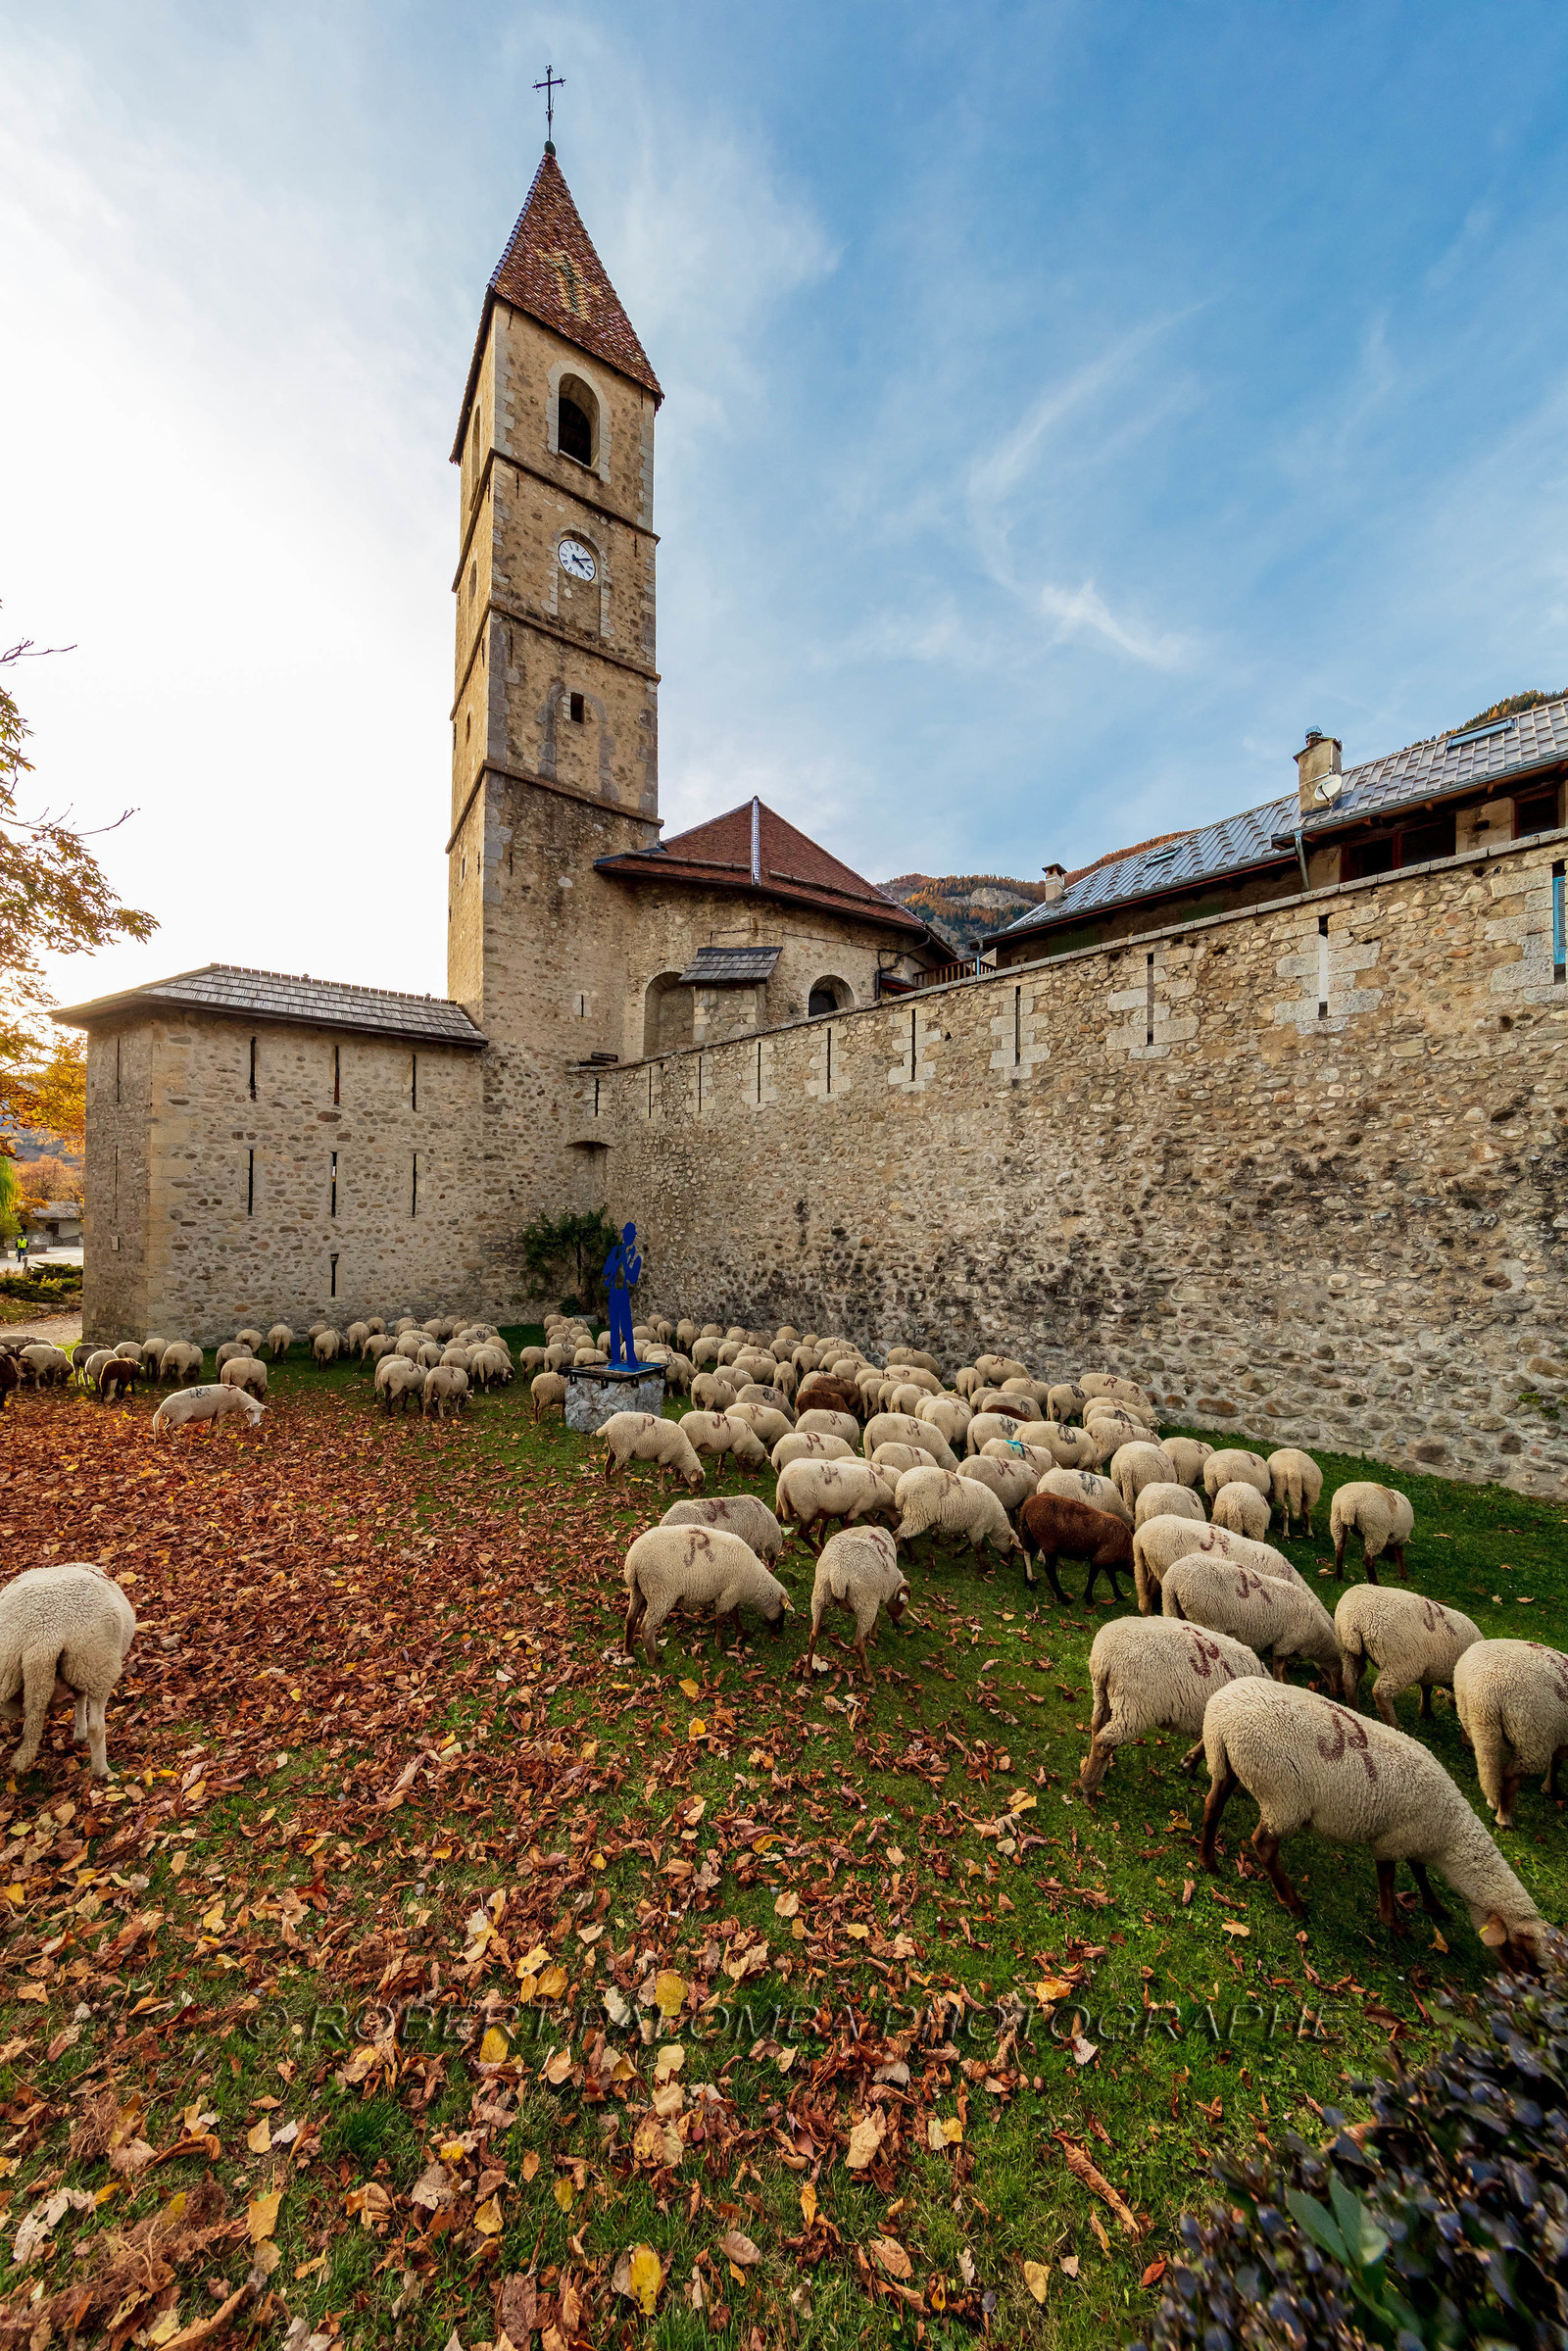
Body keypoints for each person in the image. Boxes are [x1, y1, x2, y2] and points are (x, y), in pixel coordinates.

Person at [602, 1222, 642, 1366]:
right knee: (614, 1327)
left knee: (626, 1326)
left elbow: (633, 1278)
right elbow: (606, 1270)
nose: (627, 1236)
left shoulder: (636, 1257)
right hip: (614, 1291)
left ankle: (631, 1358)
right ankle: (616, 1359)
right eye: (625, 1234)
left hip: (624, 1292)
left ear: (633, 1236)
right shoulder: (616, 1250)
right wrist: (618, 1259)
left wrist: (625, 1264)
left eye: (629, 1234)